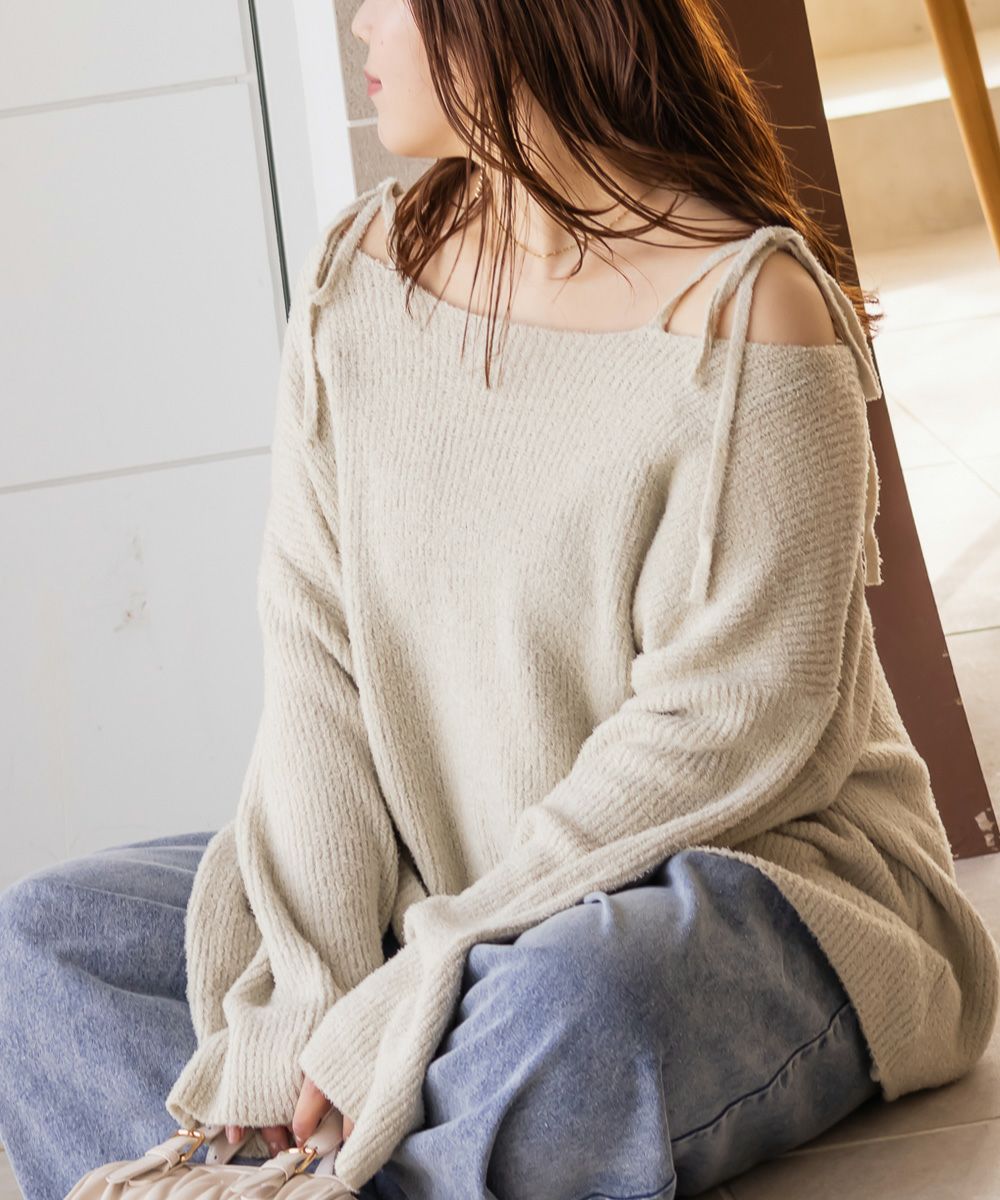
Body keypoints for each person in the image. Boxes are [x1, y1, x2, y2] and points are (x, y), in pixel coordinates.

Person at [1, 1, 997, 1198]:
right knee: (45, 941)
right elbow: (317, 671)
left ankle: (289, 1168)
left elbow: (720, 737)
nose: (361, 26)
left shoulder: (746, 316)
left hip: (746, 885)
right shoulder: (359, 277)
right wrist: (310, 993)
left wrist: (424, 978)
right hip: (443, 880)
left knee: (577, 1004)